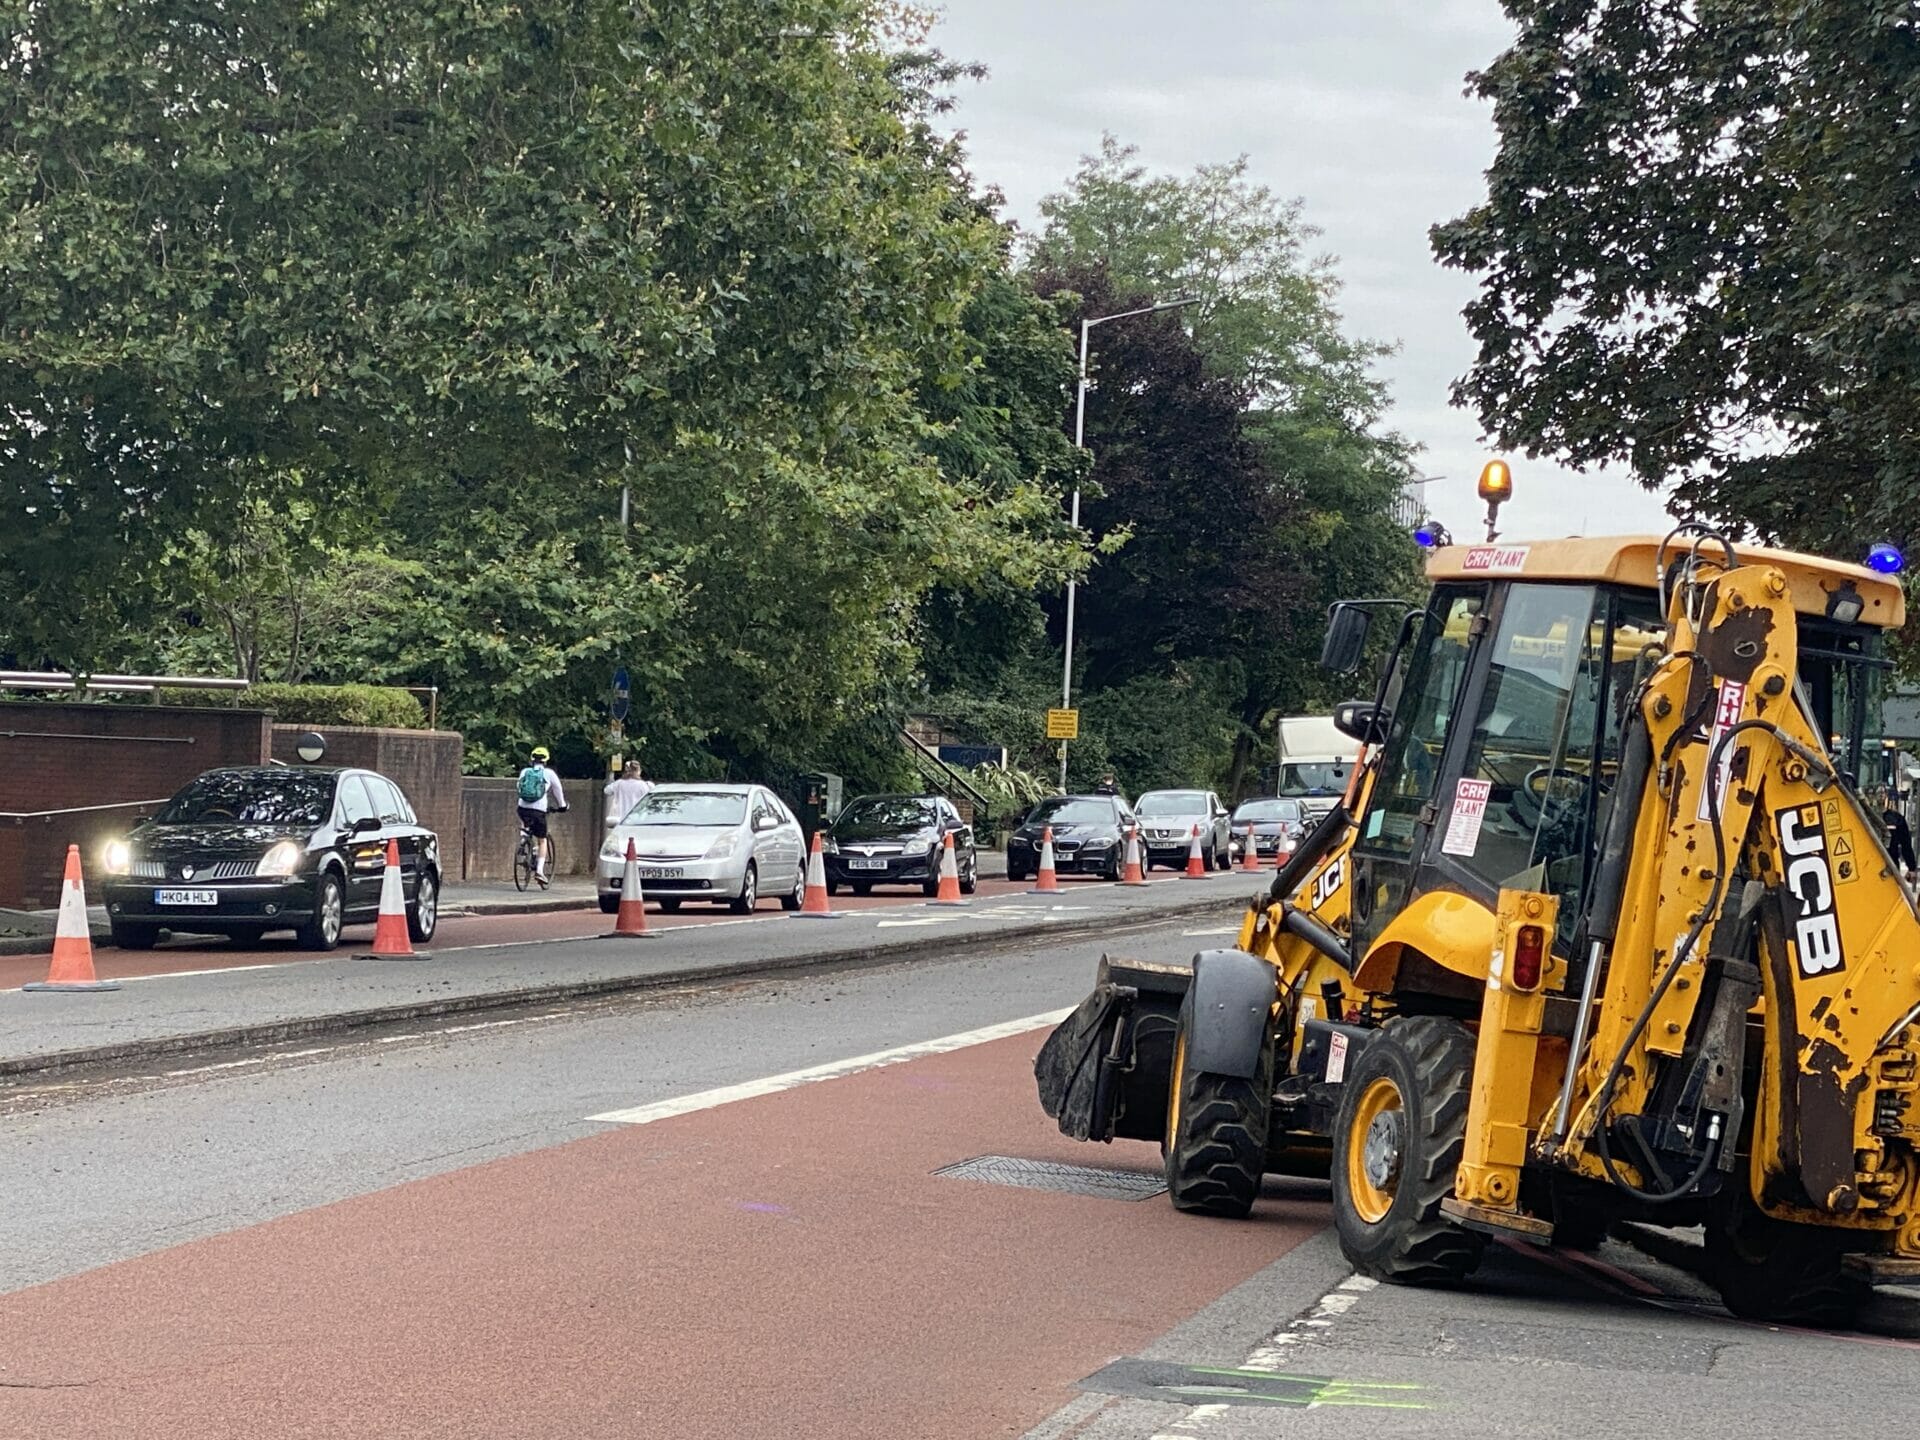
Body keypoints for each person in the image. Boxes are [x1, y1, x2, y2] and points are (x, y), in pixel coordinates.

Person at [515, 746, 568, 887]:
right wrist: (562, 806)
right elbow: (558, 791)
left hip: (522, 808)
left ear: (532, 759)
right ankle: (539, 871)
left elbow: (519, 787)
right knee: (542, 840)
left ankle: (523, 839)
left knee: (525, 820)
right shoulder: (549, 773)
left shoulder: (525, 771)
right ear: (545, 760)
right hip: (538, 810)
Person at [1880, 788, 1917, 884]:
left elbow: (1906, 845)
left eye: (1882, 793)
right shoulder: (1859, 817)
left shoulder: (1896, 819)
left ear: (1886, 796)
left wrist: (1911, 867)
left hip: (1890, 867)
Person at [603, 760, 653, 829]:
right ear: (638, 771)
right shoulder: (643, 785)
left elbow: (607, 791)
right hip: (637, 820)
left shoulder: (619, 783)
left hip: (620, 820)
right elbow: (648, 798)